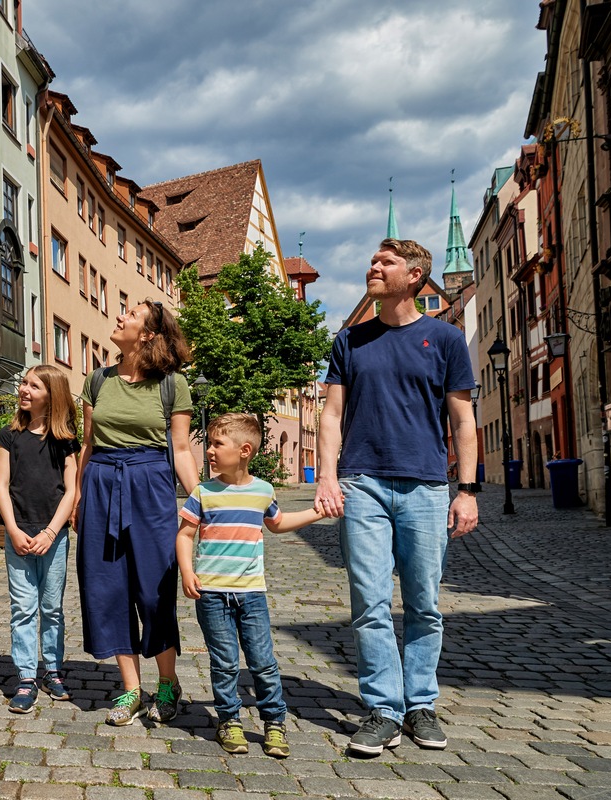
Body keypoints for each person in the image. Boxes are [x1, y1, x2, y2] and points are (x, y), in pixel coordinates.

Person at [315, 238, 479, 757]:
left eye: (385, 262)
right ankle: (384, 708)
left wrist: (467, 489)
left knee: (425, 603)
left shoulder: (445, 339)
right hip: (362, 483)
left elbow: (463, 420)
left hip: (426, 486)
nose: (374, 267)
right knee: (370, 602)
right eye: (373, 260)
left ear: (415, 275)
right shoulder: (350, 340)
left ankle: (421, 705)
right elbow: (331, 415)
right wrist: (326, 476)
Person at [76, 300, 200, 726]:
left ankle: (167, 683)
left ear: (148, 334)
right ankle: (131, 688)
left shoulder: (172, 385)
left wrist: (201, 501)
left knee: (154, 592)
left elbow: (181, 450)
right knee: (107, 591)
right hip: (101, 484)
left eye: (129, 314)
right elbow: (88, 445)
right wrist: (78, 496)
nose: (119, 316)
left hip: (150, 484)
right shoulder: (96, 380)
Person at [175, 413, 324, 756]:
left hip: (252, 594)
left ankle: (274, 722)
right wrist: (187, 571)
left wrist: (317, 512)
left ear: (244, 450)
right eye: (209, 443)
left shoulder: (263, 491)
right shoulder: (202, 492)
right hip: (211, 593)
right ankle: (229, 720)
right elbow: (185, 535)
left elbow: (279, 522)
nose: (209, 450)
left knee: (262, 661)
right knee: (225, 662)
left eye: (216, 444)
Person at [0, 365, 80, 713]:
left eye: (33, 385)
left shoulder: (65, 441)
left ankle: (53, 671)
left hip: (54, 538)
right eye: (23, 383)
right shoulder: (9, 436)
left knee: (52, 608)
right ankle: (27, 677)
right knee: (23, 608)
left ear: (51, 395)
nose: (23, 389)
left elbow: (72, 489)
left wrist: (50, 532)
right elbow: (1, 484)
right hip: (18, 535)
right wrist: (14, 530)